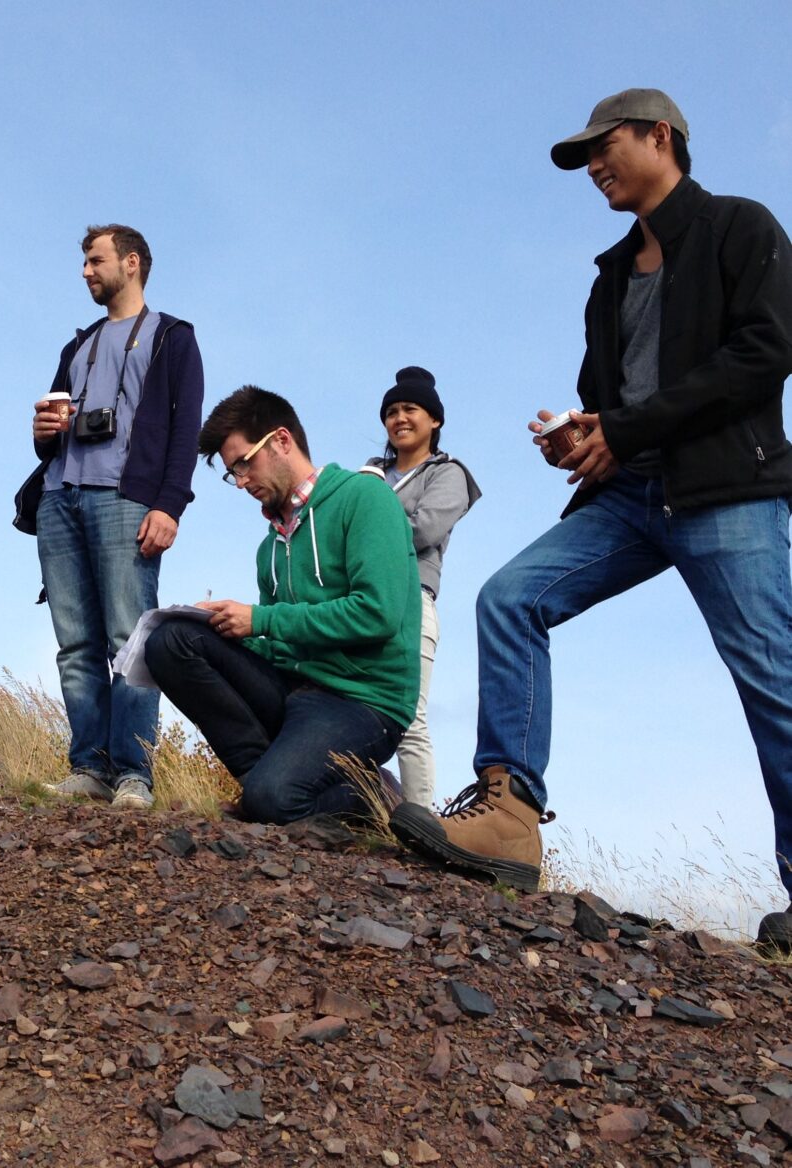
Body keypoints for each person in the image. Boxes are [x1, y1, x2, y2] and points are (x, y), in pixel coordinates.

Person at [389, 89, 792, 952]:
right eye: (582, 160)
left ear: (661, 136)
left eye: (604, 148)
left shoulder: (740, 228)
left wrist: (630, 426)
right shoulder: (609, 281)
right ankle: (509, 820)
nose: (594, 168)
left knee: (775, 678)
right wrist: (581, 437)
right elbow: (606, 403)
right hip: (631, 498)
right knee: (509, 598)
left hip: (728, 492)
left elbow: (764, 356)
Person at [143, 385, 421, 824]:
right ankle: (263, 789)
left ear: (281, 441)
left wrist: (260, 619)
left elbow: (377, 613)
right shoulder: (271, 545)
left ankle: (368, 792)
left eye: (243, 463)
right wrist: (228, 629)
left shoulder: (364, 499)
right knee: (172, 641)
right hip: (296, 688)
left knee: (275, 800)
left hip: (362, 702)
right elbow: (281, 643)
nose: (240, 481)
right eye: (231, 472)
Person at [19, 224, 204, 810]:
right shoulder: (77, 345)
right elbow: (50, 430)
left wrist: (169, 505)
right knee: (75, 643)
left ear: (131, 263)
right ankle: (89, 767)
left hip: (127, 501)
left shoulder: (173, 337)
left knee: (129, 640)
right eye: (84, 262)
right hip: (59, 498)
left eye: (94, 261)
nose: (85, 272)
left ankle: (133, 774)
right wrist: (42, 434)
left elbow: (185, 431)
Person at [362, 366, 481, 809]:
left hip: (412, 601)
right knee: (343, 706)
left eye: (410, 408)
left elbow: (424, 530)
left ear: (434, 420)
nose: (399, 418)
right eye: (391, 411)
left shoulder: (448, 474)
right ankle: (360, 809)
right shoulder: (369, 472)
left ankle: (420, 824)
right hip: (355, 600)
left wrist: (364, 534)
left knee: (409, 718)